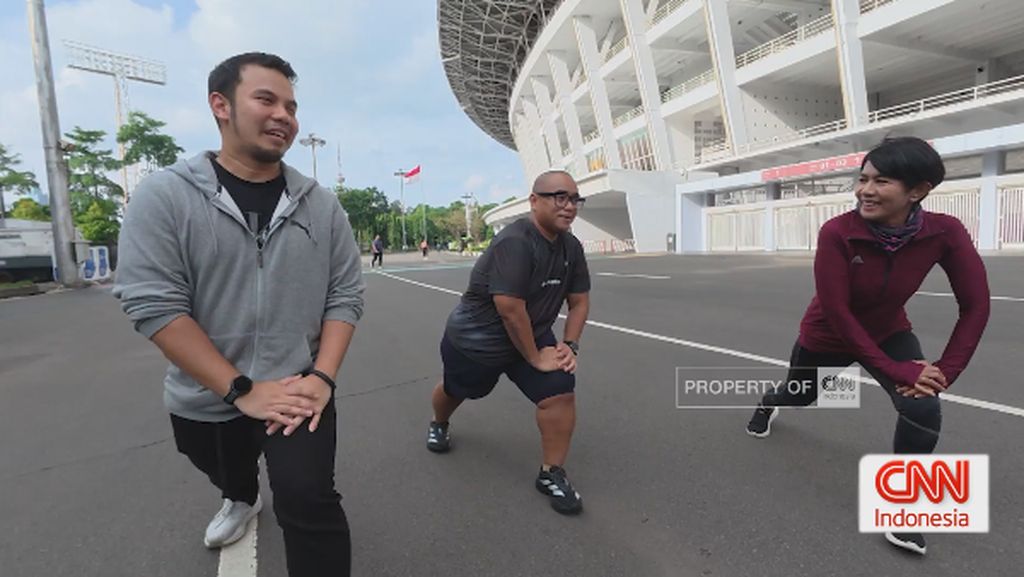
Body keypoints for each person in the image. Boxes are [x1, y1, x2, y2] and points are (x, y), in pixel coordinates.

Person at [113, 52, 364, 576]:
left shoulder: (320, 204)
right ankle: (240, 497)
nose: (284, 116)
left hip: (298, 387)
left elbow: (344, 294)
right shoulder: (165, 196)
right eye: (266, 99)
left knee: (309, 499)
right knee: (222, 468)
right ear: (220, 105)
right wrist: (242, 391)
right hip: (205, 396)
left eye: (292, 106)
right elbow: (154, 304)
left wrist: (323, 377)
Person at [745, 137, 990, 556]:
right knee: (800, 396)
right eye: (863, 179)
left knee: (922, 405)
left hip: (888, 331)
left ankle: (904, 510)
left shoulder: (944, 232)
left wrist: (944, 371)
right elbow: (838, 312)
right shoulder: (838, 232)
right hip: (827, 335)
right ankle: (770, 401)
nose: (865, 190)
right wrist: (898, 371)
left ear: (918, 191)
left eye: (882, 181)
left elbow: (976, 304)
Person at [426, 170, 591, 515]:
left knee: (560, 387)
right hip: (477, 340)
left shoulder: (571, 247)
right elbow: (509, 308)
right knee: (458, 390)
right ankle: (439, 423)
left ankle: (551, 473)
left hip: (529, 333)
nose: (569, 206)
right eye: (560, 197)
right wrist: (535, 358)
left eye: (575, 199)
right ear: (534, 201)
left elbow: (579, 301)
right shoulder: (516, 242)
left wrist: (568, 346)